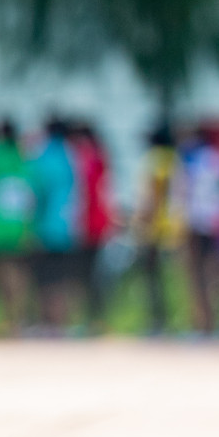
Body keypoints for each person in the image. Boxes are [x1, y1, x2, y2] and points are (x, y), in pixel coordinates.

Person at [181, 118, 219, 335]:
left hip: (203, 221)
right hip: (217, 220)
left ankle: (209, 321)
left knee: (204, 275)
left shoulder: (197, 159)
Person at [0, 118, 36, 335]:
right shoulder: (24, 159)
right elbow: (31, 193)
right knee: (15, 274)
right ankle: (14, 322)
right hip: (18, 225)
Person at [28, 116, 84, 331]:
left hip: (45, 227)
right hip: (68, 226)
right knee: (64, 278)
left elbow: (37, 193)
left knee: (45, 279)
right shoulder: (72, 156)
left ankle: (49, 321)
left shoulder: (43, 157)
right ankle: (65, 322)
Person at [134, 122, 184, 335]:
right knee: (176, 277)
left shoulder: (154, 159)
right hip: (174, 224)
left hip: (156, 227)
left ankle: (158, 321)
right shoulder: (175, 158)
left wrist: (143, 220)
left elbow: (153, 194)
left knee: (153, 278)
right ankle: (178, 320)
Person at [70, 120, 117, 333]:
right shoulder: (101, 156)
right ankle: (95, 319)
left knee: (84, 275)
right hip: (99, 222)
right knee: (93, 274)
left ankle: (90, 319)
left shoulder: (84, 158)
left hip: (88, 224)